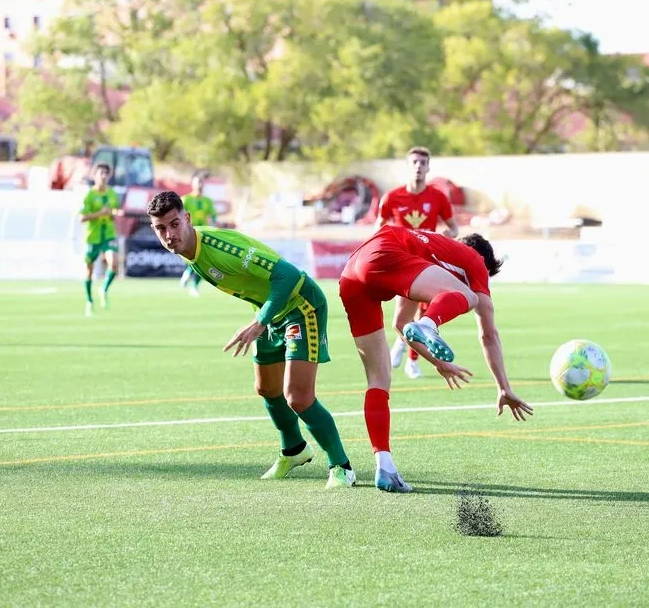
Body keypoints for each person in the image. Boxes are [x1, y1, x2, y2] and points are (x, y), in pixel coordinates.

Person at [147, 190, 357, 488]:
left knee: (298, 397)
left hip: (300, 305)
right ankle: (294, 450)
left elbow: (287, 275)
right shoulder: (190, 251)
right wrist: (264, 317)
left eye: (174, 224)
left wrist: (259, 322)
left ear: (188, 219)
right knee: (267, 387)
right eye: (161, 228)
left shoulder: (219, 248)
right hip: (271, 312)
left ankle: (342, 466)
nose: (169, 234)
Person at [338, 225, 533, 493]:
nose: (483, 283)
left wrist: (437, 362)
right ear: (484, 263)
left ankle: (385, 467)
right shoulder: (474, 261)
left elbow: (402, 323)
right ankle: (430, 323)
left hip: (352, 272)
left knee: (378, 378)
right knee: (469, 297)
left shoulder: (425, 254)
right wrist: (503, 387)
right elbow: (488, 334)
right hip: (382, 253)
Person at [376, 147, 460, 380]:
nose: (419, 166)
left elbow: (453, 227)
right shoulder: (392, 197)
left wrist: (440, 240)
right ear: (408, 165)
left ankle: (411, 360)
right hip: (401, 263)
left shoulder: (438, 197)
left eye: (423, 162)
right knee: (405, 315)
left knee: (425, 313)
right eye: (414, 162)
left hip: (426, 263)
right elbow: (378, 228)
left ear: (429, 167)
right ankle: (402, 344)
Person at [79, 163, 120, 317]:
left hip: (108, 234)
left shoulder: (113, 194)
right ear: (94, 175)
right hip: (93, 237)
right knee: (89, 270)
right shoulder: (89, 195)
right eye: (100, 173)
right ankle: (89, 301)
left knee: (114, 263)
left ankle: (104, 289)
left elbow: (115, 211)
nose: (103, 176)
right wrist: (99, 213)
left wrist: (115, 213)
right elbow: (82, 217)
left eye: (106, 173)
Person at [180, 173, 218, 297]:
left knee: (204, 261)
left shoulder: (208, 201)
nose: (199, 185)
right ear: (192, 184)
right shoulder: (186, 199)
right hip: (189, 233)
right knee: (195, 257)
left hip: (203, 234)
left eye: (201, 183)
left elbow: (213, 217)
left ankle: (193, 283)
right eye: (197, 183)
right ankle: (188, 273)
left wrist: (215, 228)